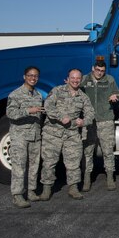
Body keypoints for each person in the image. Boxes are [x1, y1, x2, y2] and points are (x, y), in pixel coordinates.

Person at [40, 69, 95, 201]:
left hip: (72, 133)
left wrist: (84, 121)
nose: (75, 81)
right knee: (49, 162)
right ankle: (46, 189)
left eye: (78, 78)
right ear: (68, 78)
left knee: (73, 162)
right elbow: (47, 106)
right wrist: (60, 117)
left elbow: (90, 113)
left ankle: (73, 188)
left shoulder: (83, 96)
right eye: (73, 78)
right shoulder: (57, 91)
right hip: (53, 132)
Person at [6, 66, 44, 208]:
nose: (33, 78)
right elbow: (10, 113)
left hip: (35, 135)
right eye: (30, 75)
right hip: (20, 135)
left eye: (35, 76)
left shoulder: (38, 95)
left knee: (34, 165)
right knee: (19, 165)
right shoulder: (15, 94)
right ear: (24, 77)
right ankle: (17, 195)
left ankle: (31, 191)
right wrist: (29, 110)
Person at [80, 60, 119, 191]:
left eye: (102, 71)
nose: (99, 73)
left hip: (105, 120)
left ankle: (110, 178)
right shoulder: (84, 79)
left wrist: (115, 97)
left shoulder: (109, 79)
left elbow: (117, 93)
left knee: (108, 151)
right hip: (89, 121)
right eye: (97, 70)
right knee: (88, 152)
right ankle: (86, 179)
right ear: (93, 68)